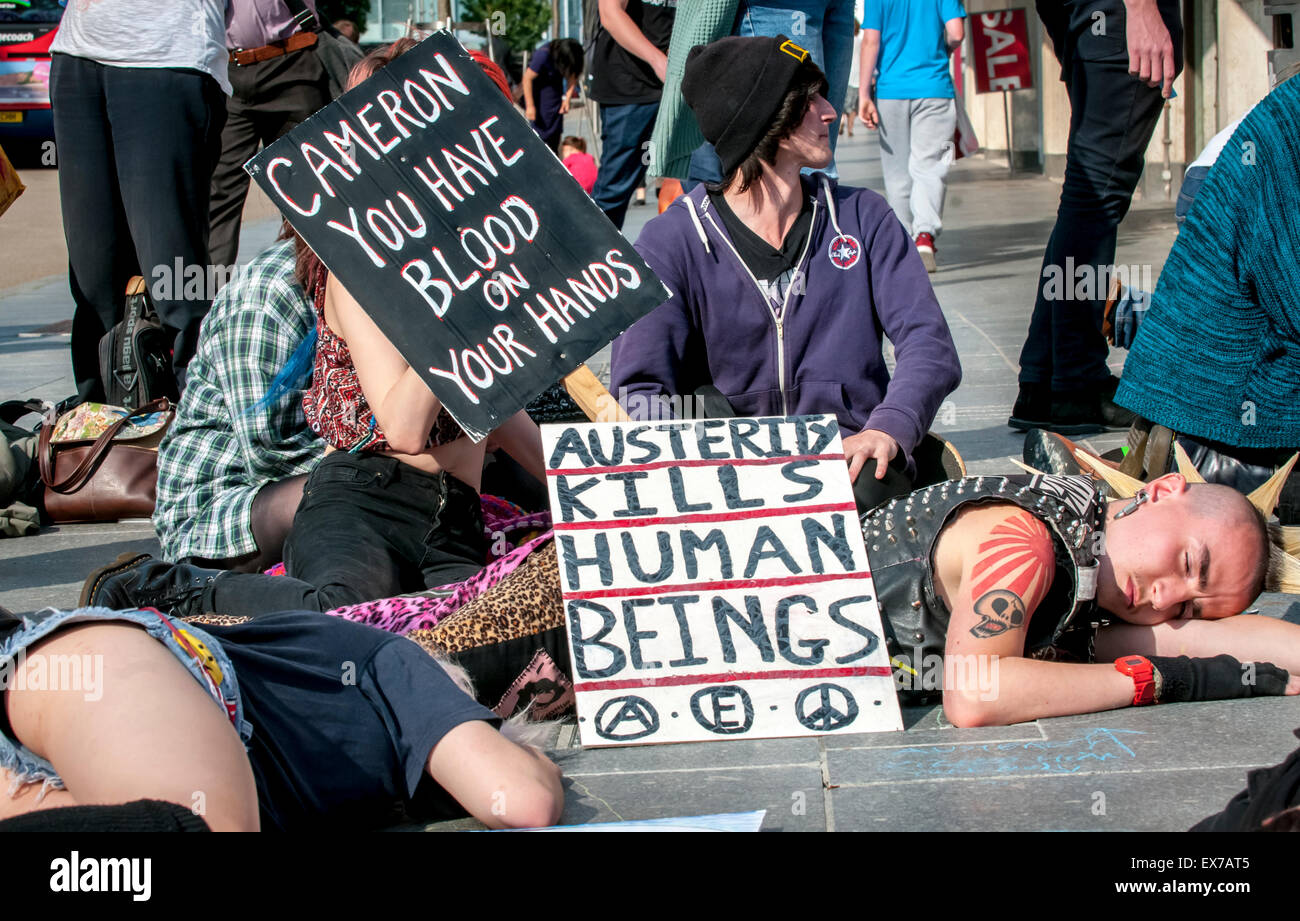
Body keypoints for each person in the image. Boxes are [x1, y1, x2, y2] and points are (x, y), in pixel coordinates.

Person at [85, 39, 546, 619]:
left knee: (476, 628)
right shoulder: (305, 281)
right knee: (345, 610)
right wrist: (464, 311)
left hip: (447, 510)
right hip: (297, 492)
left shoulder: (470, 263)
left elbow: (497, 406)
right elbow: (329, 441)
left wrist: (595, 490)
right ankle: (165, 588)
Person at [610, 35, 961, 512]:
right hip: (726, 479)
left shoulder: (863, 218)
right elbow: (639, 389)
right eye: (807, 101)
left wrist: (888, 427)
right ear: (763, 120)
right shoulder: (671, 242)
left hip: (849, 465)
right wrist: (695, 461)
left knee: (867, 491)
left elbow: (929, 345)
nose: (829, 111)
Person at [0, 605, 564, 831]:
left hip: (78, 674)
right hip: (95, 662)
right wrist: (535, 759)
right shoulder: (392, 658)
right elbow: (523, 802)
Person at [863, 470, 1300, 725]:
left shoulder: (1090, 565)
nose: (1163, 599)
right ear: (1163, 490)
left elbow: (1209, 639)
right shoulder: (1026, 540)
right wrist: (1165, 679)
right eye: (1188, 564)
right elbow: (976, 694)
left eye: (1189, 608)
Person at [1107, 71, 1300, 522]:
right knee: (1244, 334)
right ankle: (1204, 460)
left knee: (1233, 327)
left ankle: (1181, 446)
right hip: (1236, 178)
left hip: (1226, 168)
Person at [1008, 0, 1181, 436]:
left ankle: (1044, 383)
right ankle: (1075, 383)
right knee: (1095, 199)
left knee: (1086, 199)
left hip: (1092, 21)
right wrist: (1141, 8)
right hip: (1118, 20)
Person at [49, 0, 229, 399]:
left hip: (167, 54)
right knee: (95, 275)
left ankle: (192, 412)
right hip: (78, 52)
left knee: (173, 271)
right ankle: (98, 421)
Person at [152, 230, 326, 572]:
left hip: (315, 478)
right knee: (368, 490)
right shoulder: (271, 290)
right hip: (219, 511)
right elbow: (271, 454)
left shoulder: (383, 281)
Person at [207, 0, 333, 274]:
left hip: (293, 58)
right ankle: (207, 303)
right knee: (219, 193)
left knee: (309, 186)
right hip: (229, 68)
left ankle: (318, 290)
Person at [858, 0, 965, 273]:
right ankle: (925, 236)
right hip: (935, 88)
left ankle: (904, 240)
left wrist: (863, 95)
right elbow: (957, 33)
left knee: (897, 173)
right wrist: (944, 50)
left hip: (891, 91)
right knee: (930, 166)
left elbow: (870, 40)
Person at [589, 0, 676, 229]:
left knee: (705, 177)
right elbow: (610, 13)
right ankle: (593, 256)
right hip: (630, 85)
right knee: (614, 190)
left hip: (683, 80)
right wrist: (658, 61)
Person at [523, 37, 584, 153]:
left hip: (555, 104)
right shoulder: (543, 55)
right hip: (540, 104)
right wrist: (530, 106)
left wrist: (567, 99)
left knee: (554, 143)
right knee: (539, 141)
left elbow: (573, 76)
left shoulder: (567, 59)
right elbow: (527, 79)